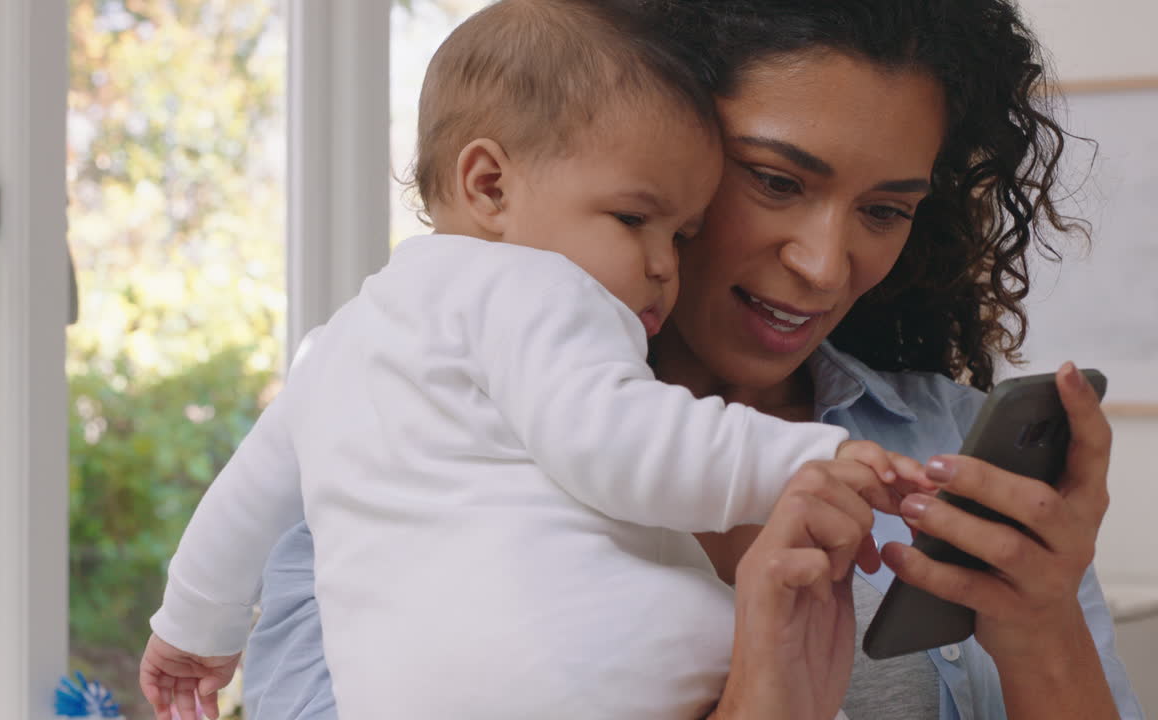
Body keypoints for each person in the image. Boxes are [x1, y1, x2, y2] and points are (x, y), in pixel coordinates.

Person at [145, 0, 1147, 718]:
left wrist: (1038, 625)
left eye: (883, 210)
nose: (823, 262)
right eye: (770, 180)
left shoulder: (943, 450)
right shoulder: (396, 450)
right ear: (655, 138)